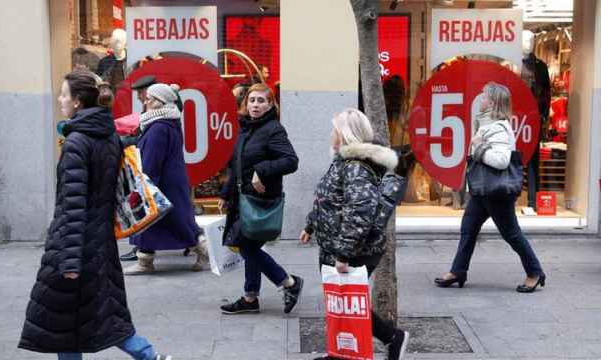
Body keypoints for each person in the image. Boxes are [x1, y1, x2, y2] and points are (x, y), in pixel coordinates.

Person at [18, 70, 172, 360]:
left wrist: (70, 259)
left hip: (76, 245)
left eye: (64, 94)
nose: (60, 99)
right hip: (99, 242)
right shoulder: (107, 135)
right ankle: (150, 356)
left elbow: (74, 206)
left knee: (78, 320)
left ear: (77, 102)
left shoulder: (77, 142)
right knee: (94, 316)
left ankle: (150, 357)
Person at [300, 108, 409, 360]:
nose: (331, 134)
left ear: (344, 134)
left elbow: (359, 213)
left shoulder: (356, 167)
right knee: (341, 300)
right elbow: (327, 200)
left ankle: (393, 338)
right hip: (335, 245)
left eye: (334, 129)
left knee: (350, 301)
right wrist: (310, 225)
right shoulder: (342, 161)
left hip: (352, 249)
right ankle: (340, 351)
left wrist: (344, 254)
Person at [434, 82, 546, 293]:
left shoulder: (499, 128)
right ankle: (458, 271)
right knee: (468, 229)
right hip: (484, 191)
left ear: (492, 102)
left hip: (496, 193)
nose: (480, 98)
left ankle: (535, 272)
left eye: (484, 96)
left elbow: (502, 161)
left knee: (511, 234)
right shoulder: (487, 125)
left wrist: (478, 146)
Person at [218, 83, 303, 315]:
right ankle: (250, 297)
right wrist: (226, 193)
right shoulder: (245, 128)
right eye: (252, 100)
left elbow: (291, 161)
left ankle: (288, 283)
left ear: (270, 105)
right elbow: (236, 165)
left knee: (247, 247)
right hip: (242, 198)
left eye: (261, 101)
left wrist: (262, 169)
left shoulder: (273, 129)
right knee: (248, 246)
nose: (255, 105)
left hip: (259, 201)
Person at [123, 83, 209, 274]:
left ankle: (146, 262)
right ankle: (146, 260)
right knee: (175, 221)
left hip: (161, 183)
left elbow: (152, 161)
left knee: (159, 221)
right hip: (170, 181)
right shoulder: (167, 122)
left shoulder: (158, 127)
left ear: (161, 102)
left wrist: (143, 186)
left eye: (150, 98)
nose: (146, 101)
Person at [120, 75, 157, 262]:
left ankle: (142, 250)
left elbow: (144, 139)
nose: (139, 98)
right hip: (144, 165)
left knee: (143, 210)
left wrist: (124, 141)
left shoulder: (156, 111)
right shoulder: (150, 109)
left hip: (149, 167)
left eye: (141, 93)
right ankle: (142, 249)